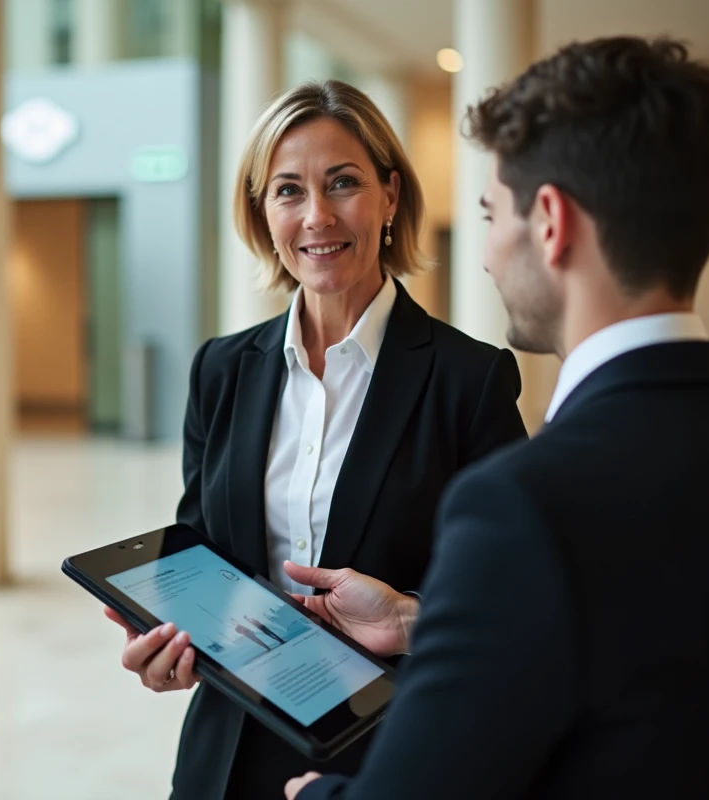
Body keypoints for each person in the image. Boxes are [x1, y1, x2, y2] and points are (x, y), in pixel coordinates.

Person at [282, 37, 709, 800]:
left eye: (491, 215)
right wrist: (412, 622)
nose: (487, 257)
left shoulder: (521, 505)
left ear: (551, 223)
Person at [103, 80, 528, 799]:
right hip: (226, 754)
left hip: (390, 755)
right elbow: (201, 555)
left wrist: (410, 616)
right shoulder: (220, 369)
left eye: (343, 183)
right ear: (262, 212)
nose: (317, 216)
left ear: (390, 195)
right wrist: (173, 643)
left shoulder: (470, 380)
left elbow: (514, 595)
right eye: (289, 191)